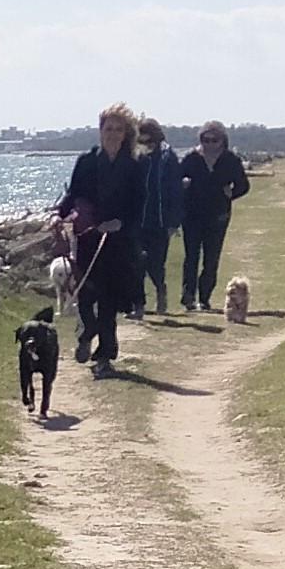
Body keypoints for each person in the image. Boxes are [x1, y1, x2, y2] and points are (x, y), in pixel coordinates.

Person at [54, 103, 141, 374]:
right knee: (86, 293)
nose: (113, 134)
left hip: (118, 242)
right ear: (100, 130)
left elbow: (140, 205)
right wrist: (58, 215)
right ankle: (85, 332)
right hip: (88, 237)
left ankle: (105, 355)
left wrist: (121, 223)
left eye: (118, 129)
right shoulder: (87, 162)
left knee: (109, 300)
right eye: (108, 128)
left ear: (126, 133)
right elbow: (72, 195)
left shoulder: (135, 166)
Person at [178, 122, 249, 310]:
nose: (209, 144)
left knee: (211, 258)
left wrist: (231, 193)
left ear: (222, 140)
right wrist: (183, 185)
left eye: (214, 140)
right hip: (192, 214)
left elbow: (243, 185)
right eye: (205, 139)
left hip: (218, 215)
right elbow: (176, 180)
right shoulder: (191, 158)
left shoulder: (230, 160)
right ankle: (188, 297)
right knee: (191, 256)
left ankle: (205, 297)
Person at [129, 114, 185, 316]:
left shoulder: (167, 157)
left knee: (155, 264)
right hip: (137, 220)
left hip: (159, 221)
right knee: (135, 263)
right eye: (140, 141)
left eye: (148, 140)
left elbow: (175, 191)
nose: (145, 144)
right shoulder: (134, 156)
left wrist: (174, 222)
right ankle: (138, 305)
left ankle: (161, 291)